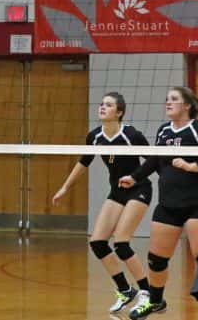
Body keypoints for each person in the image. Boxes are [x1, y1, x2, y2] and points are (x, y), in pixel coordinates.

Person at [52, 92, 152, 313]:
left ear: (119, 112)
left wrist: (138, 177)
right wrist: (65, 188)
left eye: (108, 105)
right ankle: (125, 290)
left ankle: (147, 293)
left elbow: (153, 158)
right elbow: (83, 162)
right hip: (117, 191)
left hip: (139, 188)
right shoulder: (95, 136)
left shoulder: (131, 135)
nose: (102, 107)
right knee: (98, 242)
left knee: (121, 242)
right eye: (101, 104)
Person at [118, 87, 198, 319]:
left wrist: (192, 166)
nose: (168, 103)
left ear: (187, 105)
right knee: (156, 260)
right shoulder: (164, 131)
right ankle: (156, 302)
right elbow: (154, 159)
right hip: (169, 203)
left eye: (174, 99)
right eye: (167, 99)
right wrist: (135, 177)